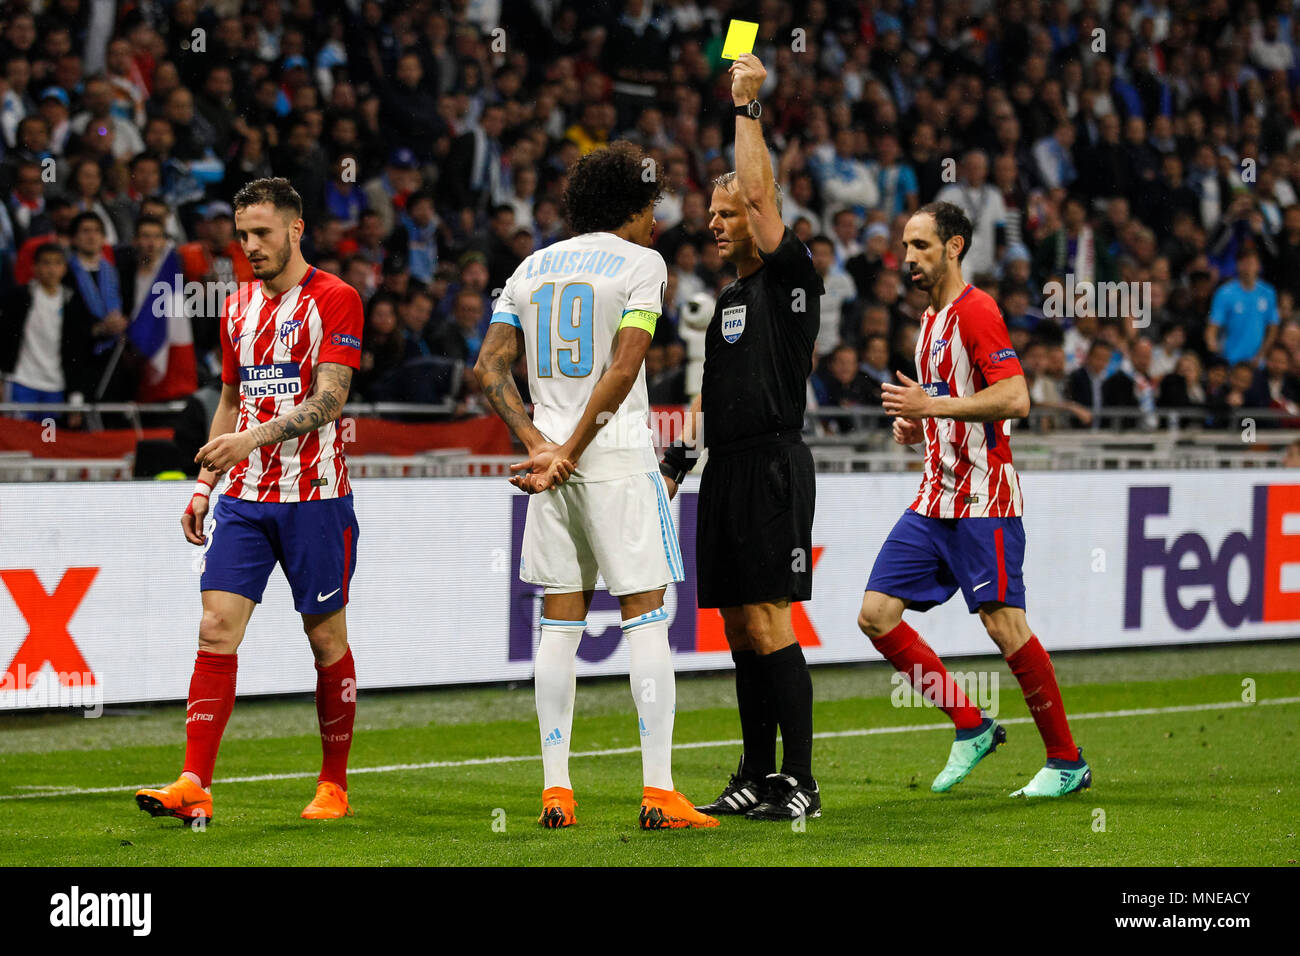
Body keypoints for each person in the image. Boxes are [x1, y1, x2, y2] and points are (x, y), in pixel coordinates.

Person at [474, 141, 715, 831]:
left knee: (559, 624)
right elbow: (621, 367)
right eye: (651, 211)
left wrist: (539, 447)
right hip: (613, 460)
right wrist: (573, 450)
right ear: (633, 209)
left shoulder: (528, 269)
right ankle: (660, 792)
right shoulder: (642, 264)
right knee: (646, 616)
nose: (656, 224)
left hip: (549, 470)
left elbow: (488, 368)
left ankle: (557, 790)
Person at [134, 178, 364, 826]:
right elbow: (231, 402)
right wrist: (204, 483)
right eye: (242, 236)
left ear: (296, 229)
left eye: (262, 233)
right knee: (215, 628)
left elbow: (329, 400)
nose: (250, 246)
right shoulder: (235, 308)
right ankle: (193, 782)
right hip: (241, 498)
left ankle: (333, 784)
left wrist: (250, 440)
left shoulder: (336, 299)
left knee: (324, 641)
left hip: (314, 498)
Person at [855, 200, 1090, 799]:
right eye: (906, 247)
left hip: (985, 501)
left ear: (954, 247)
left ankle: (1066, 762)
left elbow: (1015, 400)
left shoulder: (978, 311)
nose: (908, 258)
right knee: (875, 615)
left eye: (922, 247)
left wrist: (932, 407)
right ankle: (971, 723)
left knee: (1005, 626)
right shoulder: (929, 325)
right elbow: (953, 408)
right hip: (934, 500)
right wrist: (917, 426)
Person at [660, 53, 824, 821]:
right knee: (735, 627)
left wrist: (747, 107)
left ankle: (802, 781)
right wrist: (680, 461)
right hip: (726, 468)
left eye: (728, 215)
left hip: (773, 467)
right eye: (713, 216)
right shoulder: (727, 299)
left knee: (769, 619)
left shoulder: (793, 279)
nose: (716, 225)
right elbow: (712, 392)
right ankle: (755, 772)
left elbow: (760, 191)